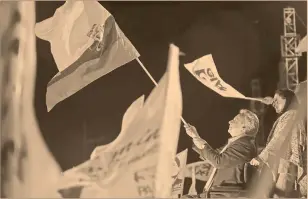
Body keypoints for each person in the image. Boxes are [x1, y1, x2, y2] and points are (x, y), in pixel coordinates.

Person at [250, 89, 306, 198]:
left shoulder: (290, 115)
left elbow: (279, 139)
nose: (273, 104)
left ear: (287, 99)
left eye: (277, 100)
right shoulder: (290, 115)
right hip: (285, 164)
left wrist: (261, 157)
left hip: (287, 164)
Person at [184, 109, 259, 192]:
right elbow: (213, 156)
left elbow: (218, 162)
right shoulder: (239, 143)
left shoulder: (245, 146)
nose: (230, 122)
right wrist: (195, 136)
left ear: (244, 128)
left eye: (235, 120)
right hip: (219, 193)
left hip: (226, 193)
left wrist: (199, 140)